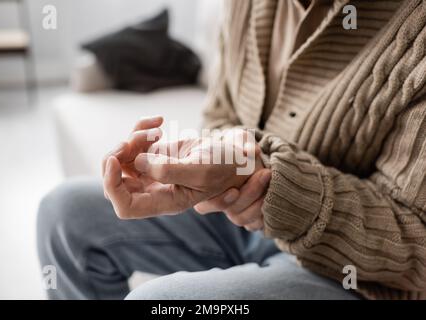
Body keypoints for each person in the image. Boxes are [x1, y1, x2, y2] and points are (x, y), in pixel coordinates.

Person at [37, 0, 426, 300]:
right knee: (65, 213)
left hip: (356, 270)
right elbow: (222, 113)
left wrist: (269, 187)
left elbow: (417, 245)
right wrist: (201, 167)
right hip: (244, 225)